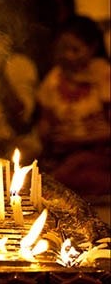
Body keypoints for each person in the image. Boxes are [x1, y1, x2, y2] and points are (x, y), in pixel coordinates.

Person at [35, 15, 110, 197]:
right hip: (63, 154)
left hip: (100, 153)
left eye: (75, 50)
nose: (68, 55)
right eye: (63, 49)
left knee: (70, 173)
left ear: (92, 48)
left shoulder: (103, 75)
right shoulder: (53, 80)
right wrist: (47, 135)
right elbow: (45, 121)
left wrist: (80, 140)